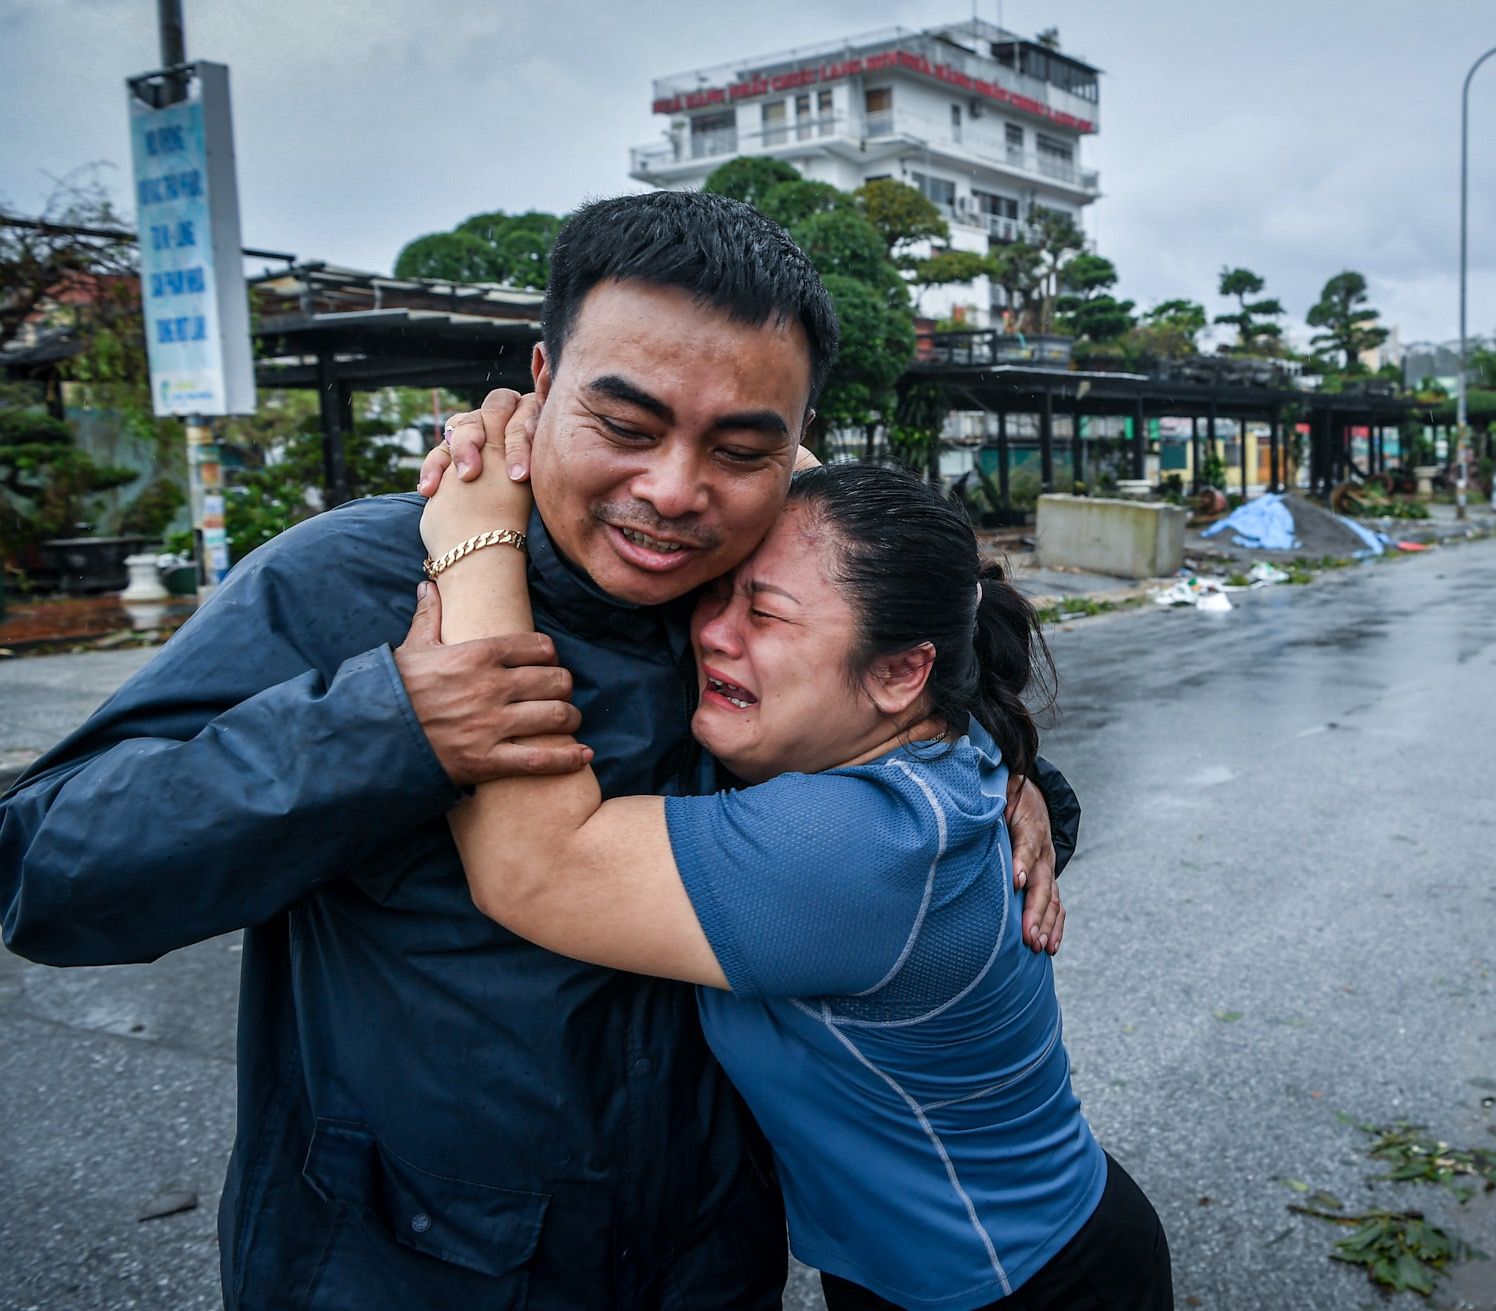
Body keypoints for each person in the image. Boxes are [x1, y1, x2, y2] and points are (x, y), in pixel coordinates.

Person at [0, 189, 1074, 1309]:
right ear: (539, 385)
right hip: (403, 1268)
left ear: (791, 445)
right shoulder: (350, 581)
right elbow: (47, 871)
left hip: (706, 1266)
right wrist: (381, 724)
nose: (672, 492)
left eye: (739, 447)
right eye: (624, 425)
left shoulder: (746, 585)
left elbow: (907, 739)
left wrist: (1018, 783)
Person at [417, 441, 1172, 1310]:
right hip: (944, 1263)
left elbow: (534, 868)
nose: (710, 630)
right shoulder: (935, 744)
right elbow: (788, 461)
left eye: (764, 612)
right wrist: (544, 424)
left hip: (1022, 1285)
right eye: (720, 592)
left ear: (899, 671)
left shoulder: (860, 848)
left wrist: (474, 537)